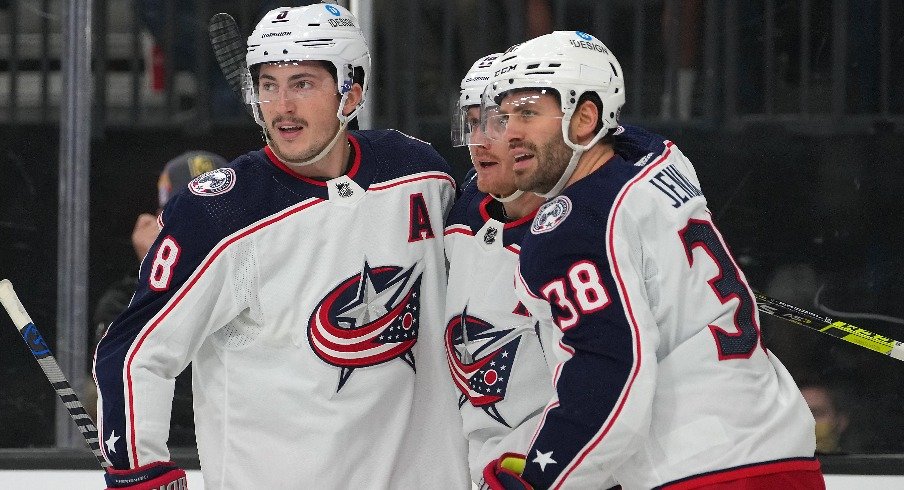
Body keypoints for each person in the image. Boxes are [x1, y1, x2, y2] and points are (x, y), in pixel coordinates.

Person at [94, 4, 468, 488]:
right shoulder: (218, 212)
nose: (282, 105)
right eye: (268, 84)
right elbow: (134, 351)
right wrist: (137, 469)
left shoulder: (419, 174)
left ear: (350, 92)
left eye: (303, 83)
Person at [478, 31, 823, 489]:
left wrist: (544, 476)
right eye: (503, 116)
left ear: (585, 119)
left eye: (528, 112)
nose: (509, 132)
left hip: (698, 468)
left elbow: (609, 369)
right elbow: (618, 136)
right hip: (783, 451)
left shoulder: (568, 228)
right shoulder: (660, 158)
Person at [444, 53, 552, 484]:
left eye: (498, 124)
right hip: (475, 470)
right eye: (472, 123)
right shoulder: (463, 210)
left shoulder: (587, 235)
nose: (479, 142)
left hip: (554, 469)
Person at [89, 150, 228, 432]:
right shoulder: (122, 300)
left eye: (213, 211)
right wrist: (156, 272)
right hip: (165, 455)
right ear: (160, 221)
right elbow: (131, 387)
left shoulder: (254, 283)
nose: (199, 227)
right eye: (186, 212)